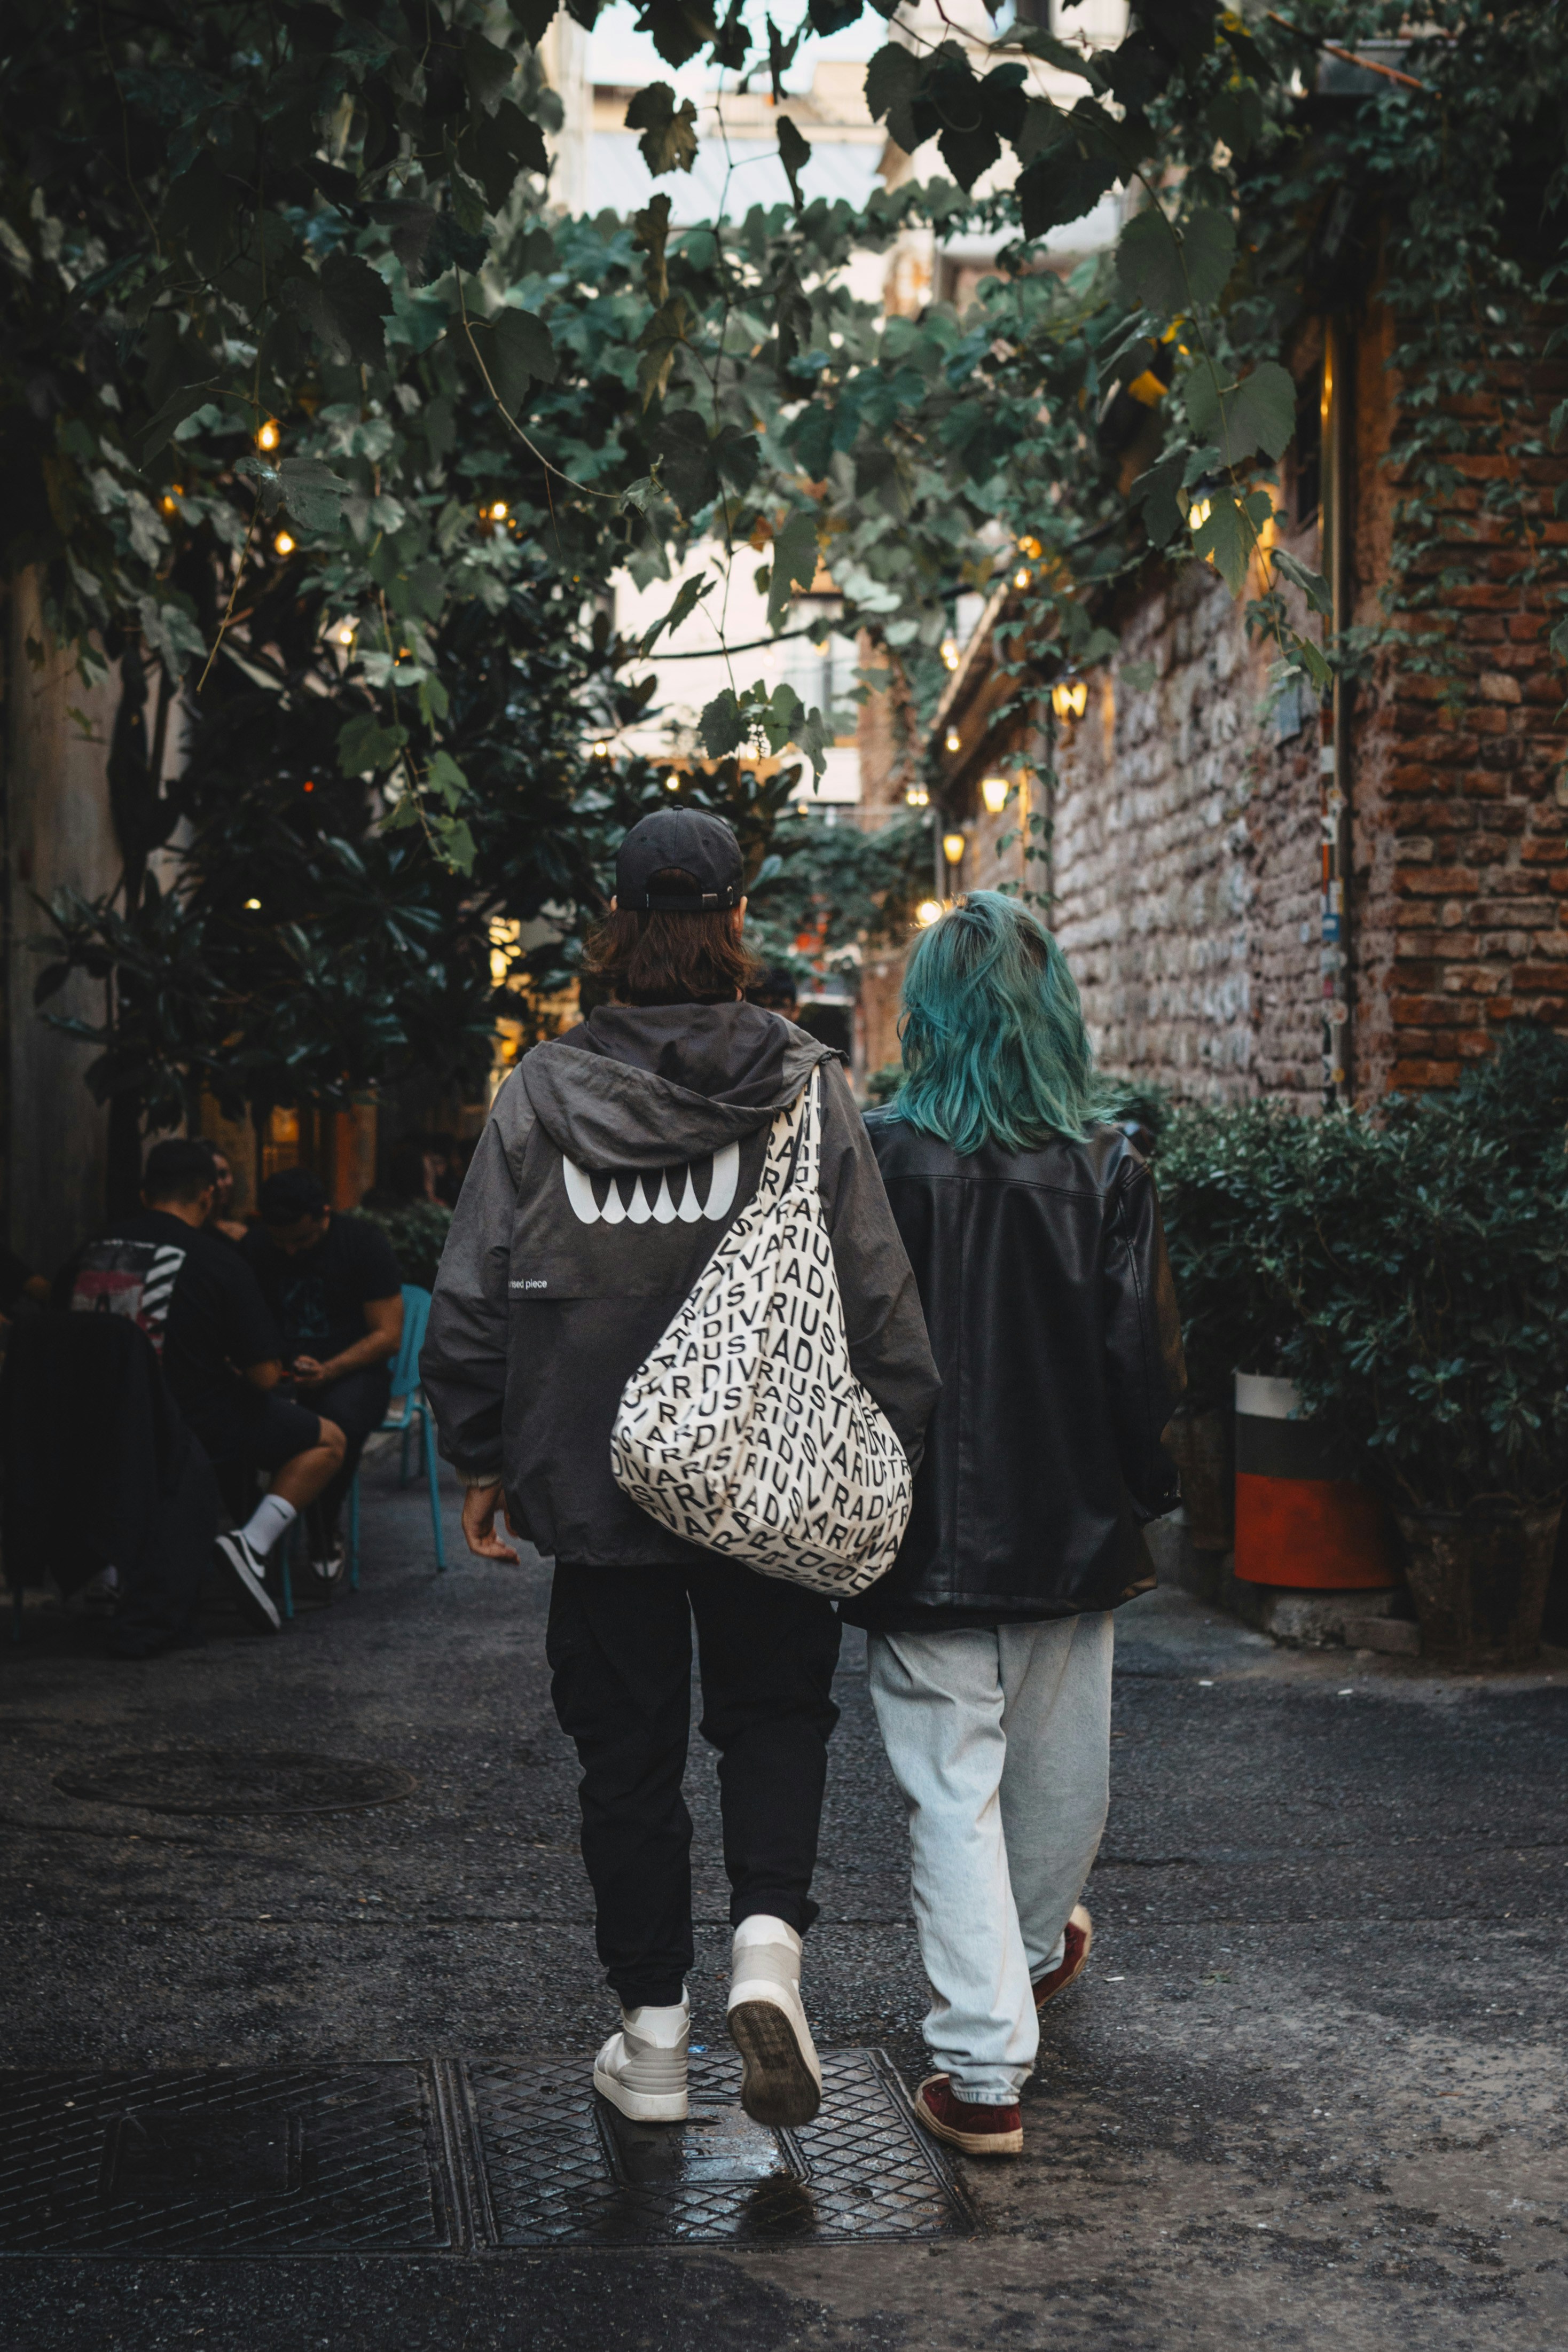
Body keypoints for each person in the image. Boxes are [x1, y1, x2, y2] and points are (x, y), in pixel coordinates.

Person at [422, 807, 939, 2131]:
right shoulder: (801, 1081)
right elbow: (876, 1294)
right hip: (768, 1477)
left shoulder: (542, 1092)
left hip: (593, 1489)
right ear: (731, 921)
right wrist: (890, 1441)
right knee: (773, 1718)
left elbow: (474, 1292)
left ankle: (651, 2043)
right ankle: (768, 1956)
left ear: (617, 921)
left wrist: (479, 1455)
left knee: (627, 1756)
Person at [844, 892, 1185, 2159]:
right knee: (1056, 1780)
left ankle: (985, 2063)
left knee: (953, 1792)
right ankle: (1023, 1968)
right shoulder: (1107, 1165)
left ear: (924, 1015)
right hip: (1068, 1526)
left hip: (912, 1530)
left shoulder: (872, 1156)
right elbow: (1137, 1369)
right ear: (1051, 1016)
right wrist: (1144, 1497)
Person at [60, 1137, 351, 1634]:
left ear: (144, 1191)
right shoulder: (217, 1261)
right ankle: (249, 1544)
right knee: (329, 1439)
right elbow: (263, 1375)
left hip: (92, 1422)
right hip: (189, 1425)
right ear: (207, 1197)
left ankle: (106, 1570)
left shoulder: (92, 1250)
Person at [242, 1169, 403, 1582]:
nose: (292, 1252)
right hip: (275, 1371)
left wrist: (329, 1369)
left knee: (340, 1422)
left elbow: (388, 1336)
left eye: (304, 1240)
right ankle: (250, 1534)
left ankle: (321, 1527)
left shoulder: (362, 1243)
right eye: (283, 1243)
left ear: (325, 1215)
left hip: (352, 1371)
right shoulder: (257, 1247)